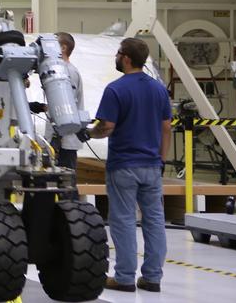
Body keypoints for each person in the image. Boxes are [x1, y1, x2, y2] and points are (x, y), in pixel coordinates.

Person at [92, 37, 171, 294]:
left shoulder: (116, 90)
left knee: (124, 220)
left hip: (123, 165)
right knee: (155, 221)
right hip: (152, 166)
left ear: (126, 58)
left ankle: (124, 277)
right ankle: (152, 278)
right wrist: (161, 160)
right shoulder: (159, 89)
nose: (116, 57)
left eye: (118, 54)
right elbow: (166, 128)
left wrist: (89, 134)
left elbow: (107, 127)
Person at [52, 31, 84, 170]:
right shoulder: (58, 70)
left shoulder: (68, 72)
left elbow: (65, 105)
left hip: (65, 142)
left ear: (63, 48)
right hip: (58, 140)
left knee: (66, 185)